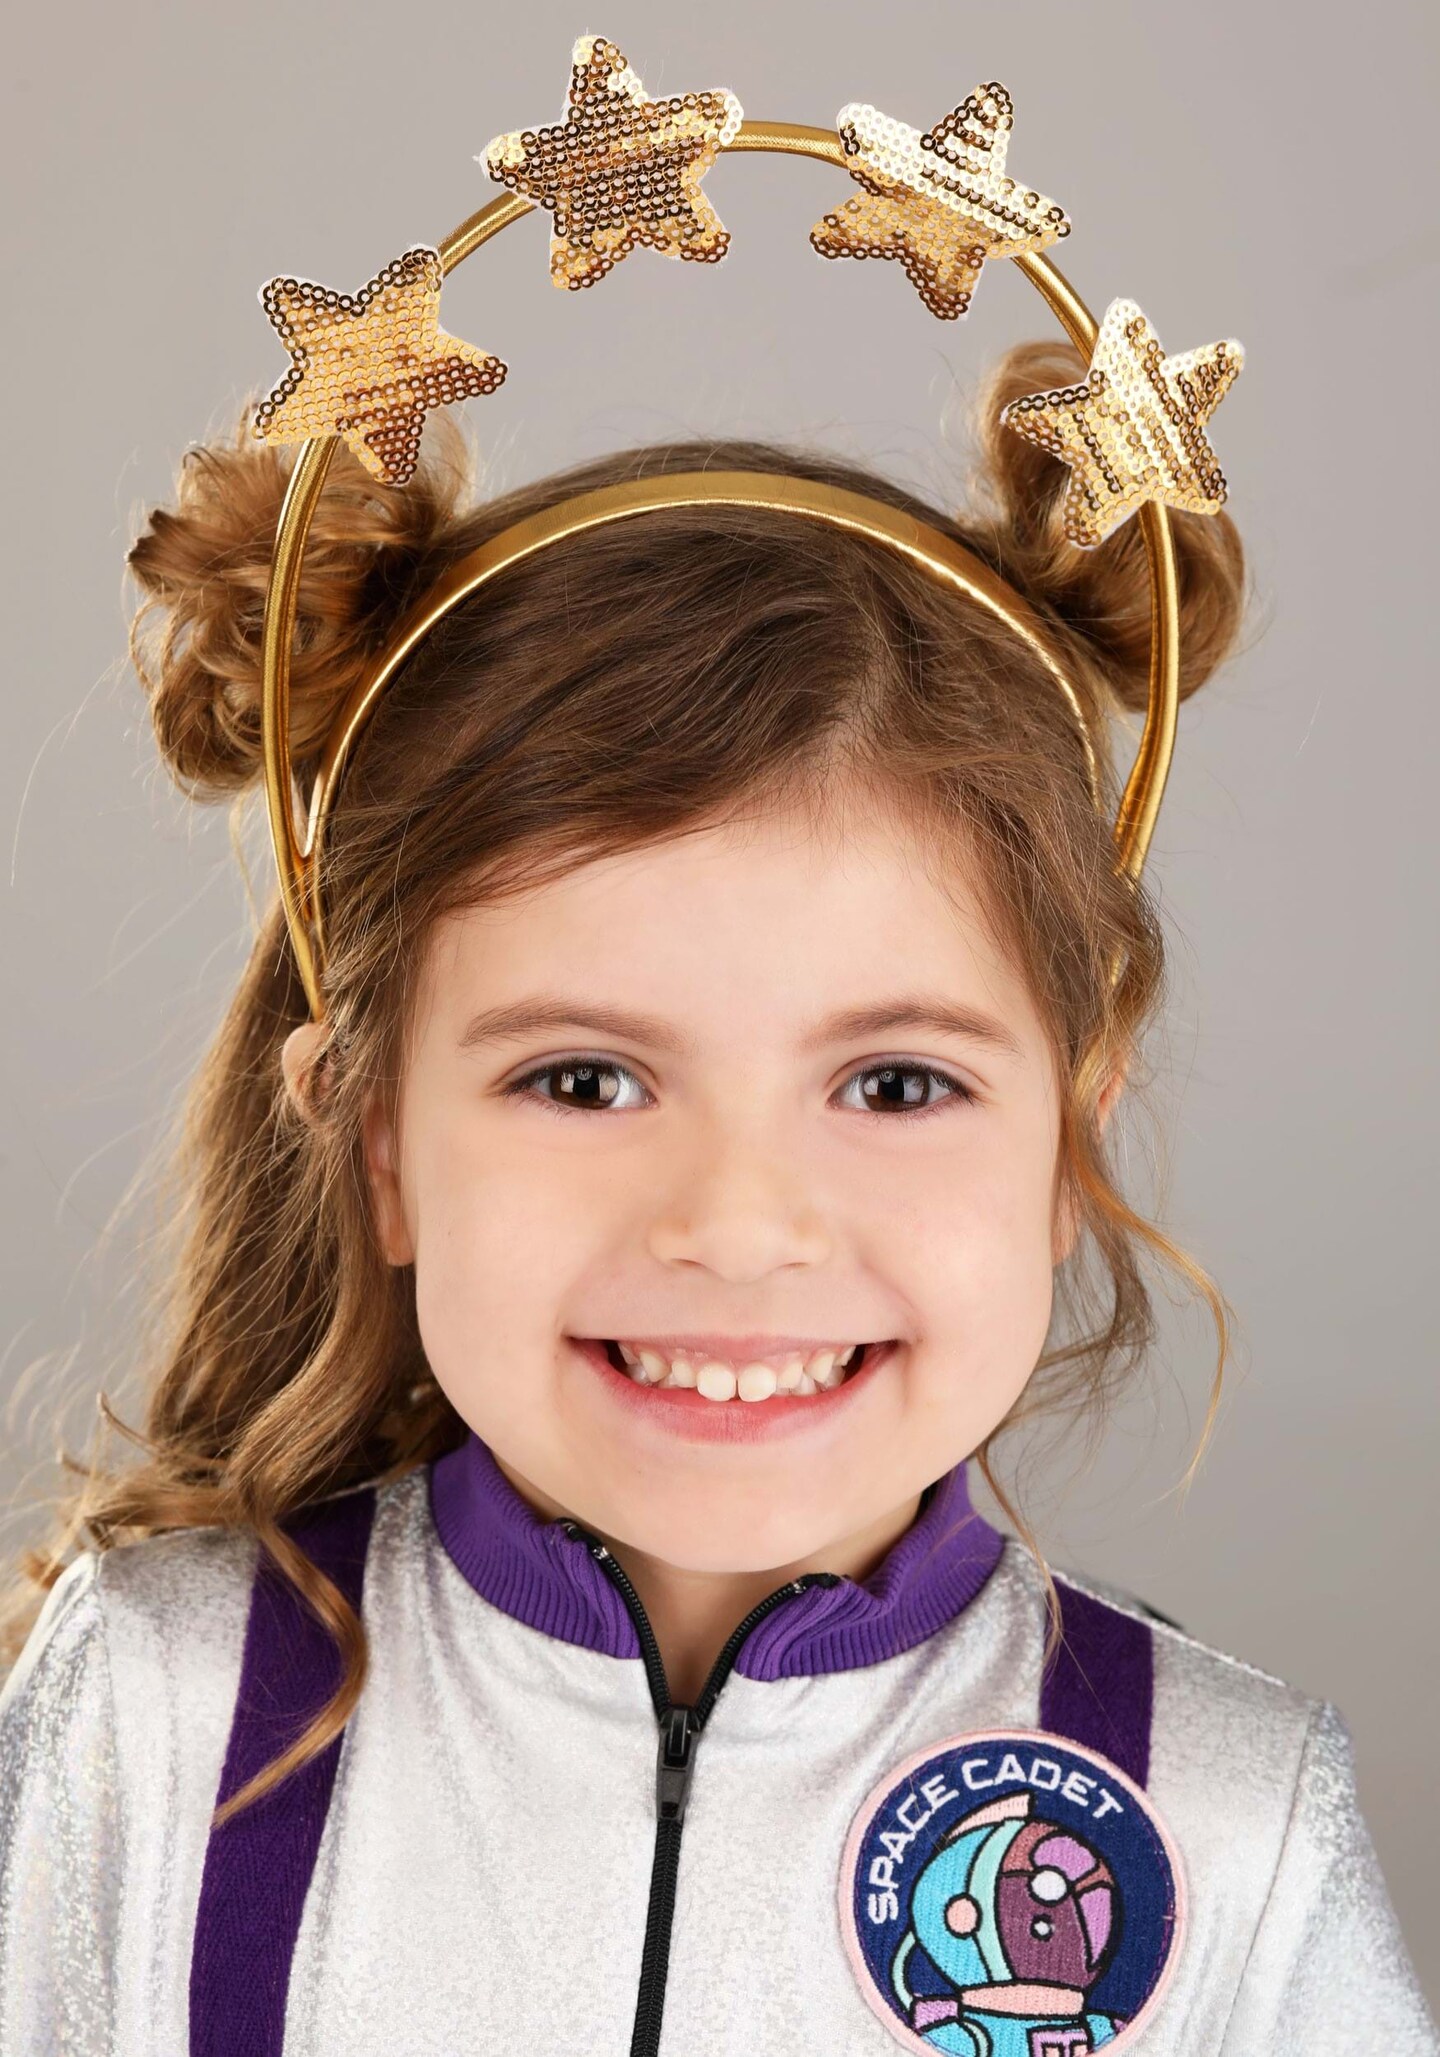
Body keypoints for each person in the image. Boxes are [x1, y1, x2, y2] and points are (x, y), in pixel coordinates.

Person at [1, 51, 1435, 2044]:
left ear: (1072, 1132)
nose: (741, 1224)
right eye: (585, 1078)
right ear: (374, 1136)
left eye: (896, 1084)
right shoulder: (161, 1709)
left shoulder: (1223, 1822)